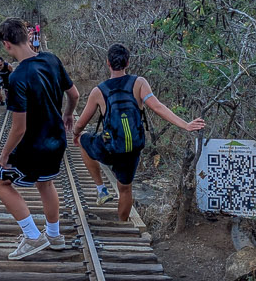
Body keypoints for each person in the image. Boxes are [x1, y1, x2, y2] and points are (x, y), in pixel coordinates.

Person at [72, 43, 206, 223]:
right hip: (132, 148)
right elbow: (158, 107)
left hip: (109, 146)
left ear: (108, 63)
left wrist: (75, 133)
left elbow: (81, 122)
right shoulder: (139, 83)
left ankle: (101, 188)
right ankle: (122, 225)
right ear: (127, 63)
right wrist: (186, 125)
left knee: (83, 140)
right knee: (125, 189)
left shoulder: (98, 91)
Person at [0, 17, 78, 259]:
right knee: (46, 183)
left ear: (7, 45)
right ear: (28, 36)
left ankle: (32, 236)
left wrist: (4, 155)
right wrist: (68, 114)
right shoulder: (51, 59)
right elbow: (75, 94)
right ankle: (54, 235)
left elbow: (19, 128)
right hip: (56, 141)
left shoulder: (17, 78)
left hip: (33, 146)